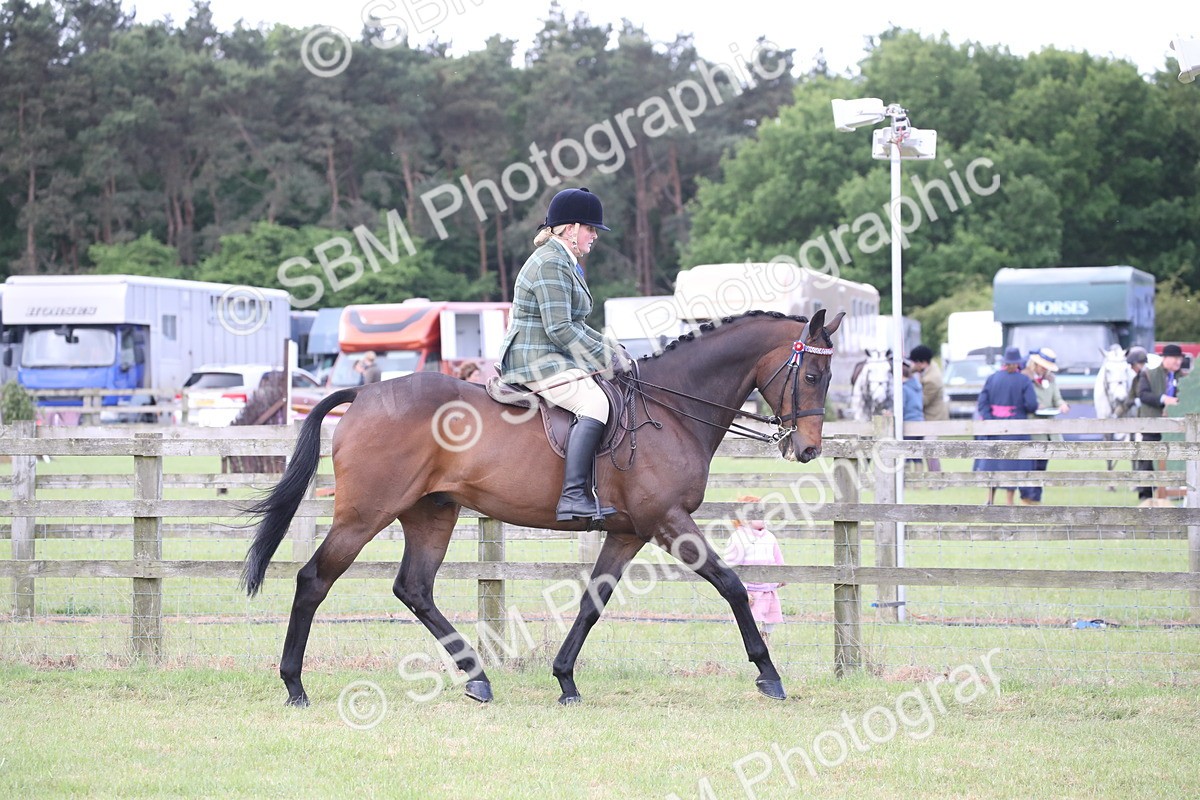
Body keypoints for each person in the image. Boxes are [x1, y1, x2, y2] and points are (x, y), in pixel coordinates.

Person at [498, 187, 627, 523]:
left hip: (553, 355)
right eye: (590, 228)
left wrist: (611, 349)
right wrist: (604, 357)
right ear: (570, 229)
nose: (594, 236)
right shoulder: (552, 263)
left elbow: (577, 324)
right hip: (535, 359)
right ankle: (572, 497)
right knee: (594, 403)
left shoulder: (563, 261)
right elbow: (560, 330)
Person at [973, 346, 1038, 506]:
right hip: (1016, 427)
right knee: (1013, 463)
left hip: (994, 428)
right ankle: (1009, 501)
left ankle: (990, 499)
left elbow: (982, 403)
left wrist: (990, 420)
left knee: (993, 463)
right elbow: (1031, 405)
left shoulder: (992, 378)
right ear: (1017, 363)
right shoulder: (1023, 380)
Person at [722, 509, 786, 644]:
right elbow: (731, 565)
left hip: (768, 586)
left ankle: (765, 640)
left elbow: (777, 557)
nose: (763, 518)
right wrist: (741, 589)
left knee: (771, 617)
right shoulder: (738, 537)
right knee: (751, 618)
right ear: (745, 519)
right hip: (750, 588)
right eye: (759, 515)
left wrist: (781, 575)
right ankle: (752, 643)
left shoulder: (769, 536)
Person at [1135, 343, 1185, 504]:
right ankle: (1146, 496)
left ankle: (1175, 491)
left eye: (1180, 358)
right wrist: (1164, 399)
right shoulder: (1149, 374)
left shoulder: (1182, 377)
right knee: (1148, 458)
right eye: (1175, 358)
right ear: (1165, 358)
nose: (1178, 362)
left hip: (1176, 426)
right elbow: (1143, 395)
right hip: (1152, 424)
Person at [1019, 347, 1069, 505]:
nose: (1045, 369)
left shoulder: (1051, 380)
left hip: (1047, 429)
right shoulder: (1024, 378)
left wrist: (1062, 405)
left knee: (1041, 466)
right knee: (1029, 465)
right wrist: (1034, 406)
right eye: (1043, 366)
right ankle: (1027, 498)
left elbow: (1057, 398)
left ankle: (1036, 499)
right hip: (1031, 428)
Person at [909, 344, 946, 471]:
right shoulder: (931, 368)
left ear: (922, 362)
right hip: (929, 417)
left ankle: (935, 480)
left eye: (914, 362)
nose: (912, 365)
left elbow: (922, 401)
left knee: (930, 450)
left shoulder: (932, 380)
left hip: (933, 418)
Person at [901, 358, 925, 469]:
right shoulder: (917, 387)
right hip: (920, 422)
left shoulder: (904, 388)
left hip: (909, 424)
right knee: (917, 455)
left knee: (906, 454)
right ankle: (918, 483)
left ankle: (907, 481)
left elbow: (902, 408)